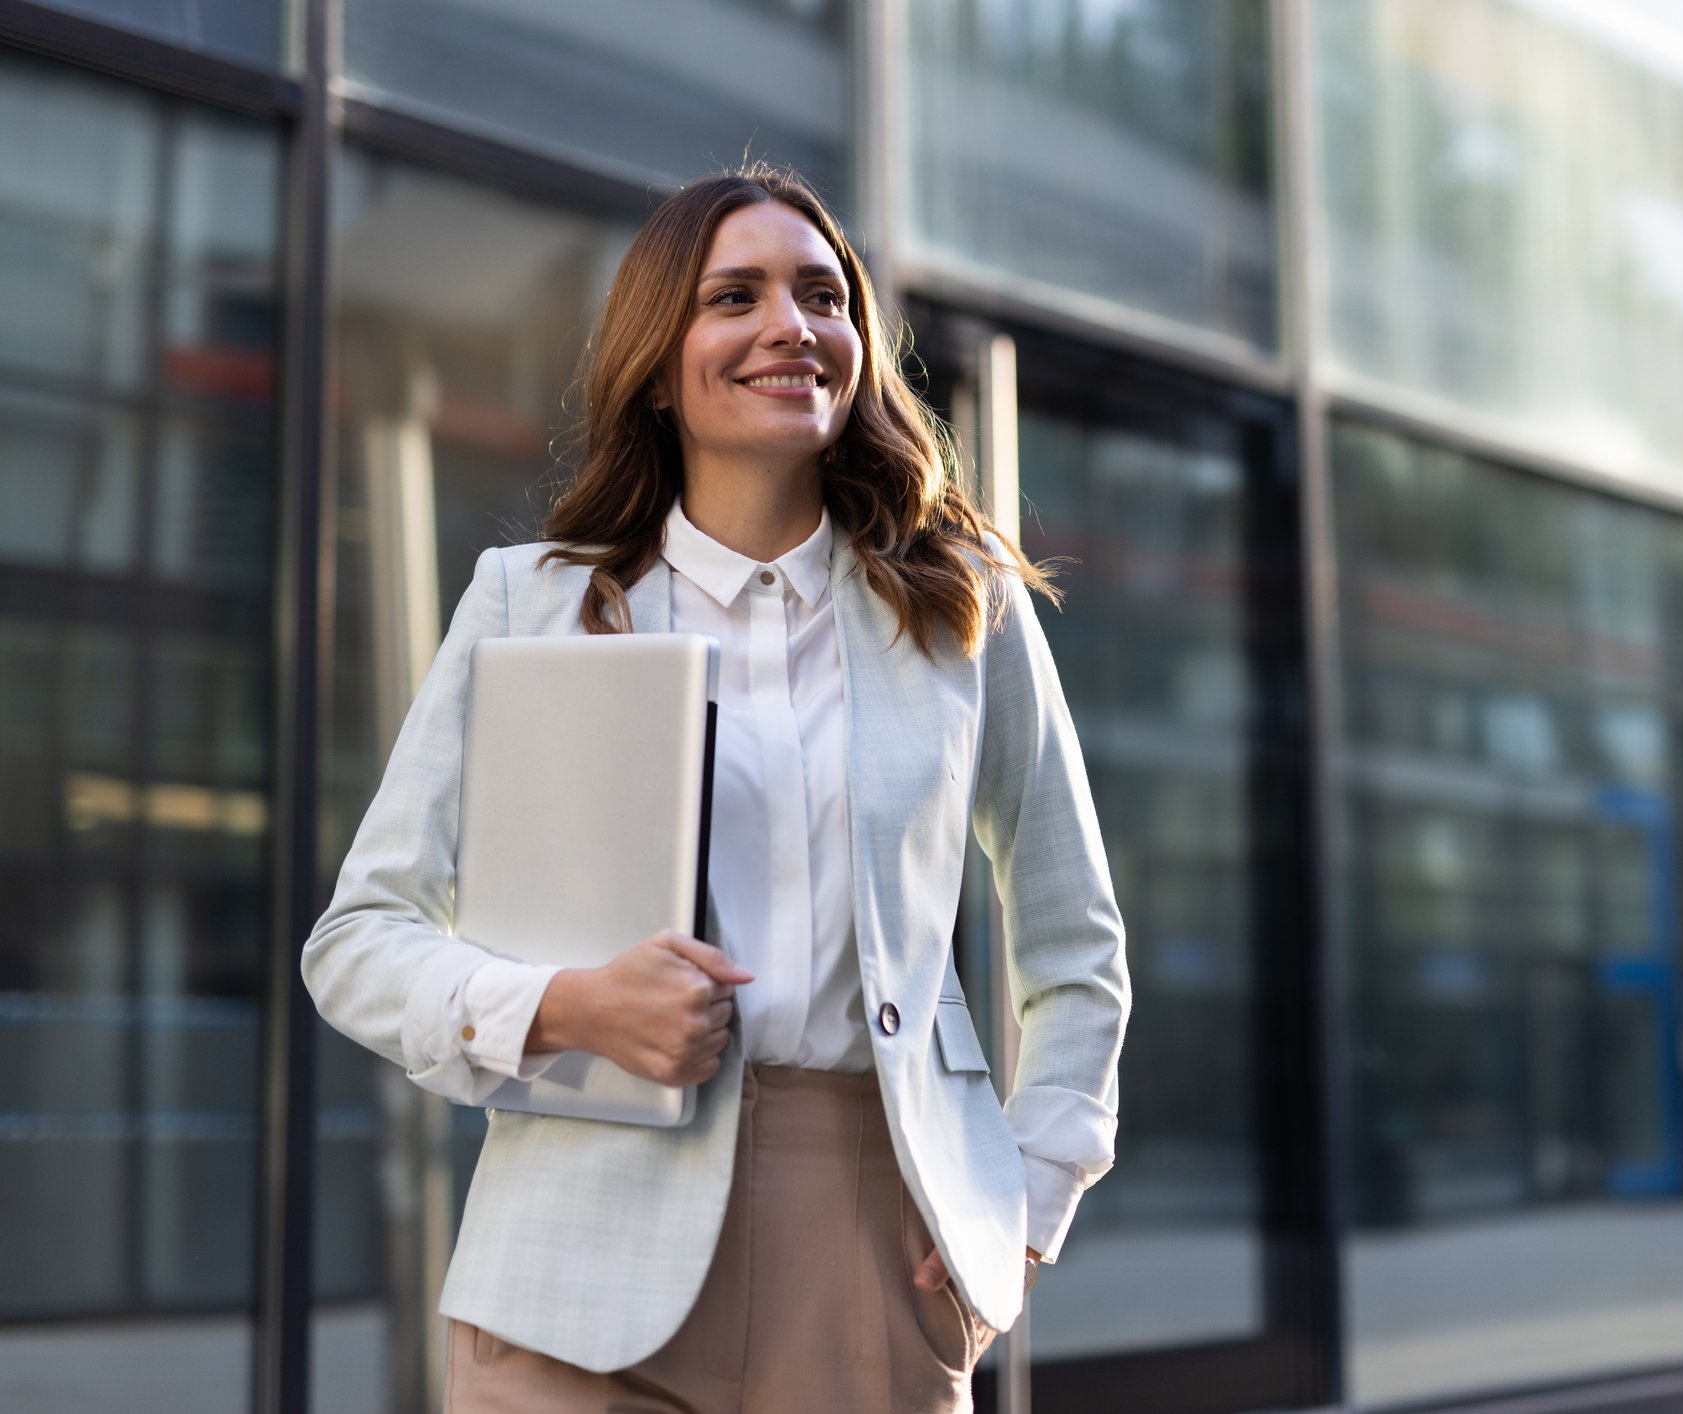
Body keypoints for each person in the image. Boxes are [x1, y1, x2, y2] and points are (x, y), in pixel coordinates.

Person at [301, 161, 1130, 1414]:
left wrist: (1025, 1192)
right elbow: (358, 941)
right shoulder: (530, 602)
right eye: (733, 296)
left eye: (821, 295)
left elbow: (1074, 943)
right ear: (659, 353)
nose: (790, 326)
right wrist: (563, 1006)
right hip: (571, 1255)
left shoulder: (963, 610)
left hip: (868, 1238)